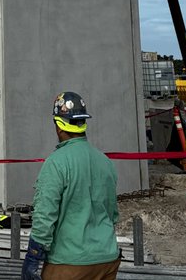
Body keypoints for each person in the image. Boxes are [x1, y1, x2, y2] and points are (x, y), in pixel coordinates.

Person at [24, 91, 121, 280]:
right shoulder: (105, 161)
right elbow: (112, 214)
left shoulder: (56, 163)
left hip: (69, 263)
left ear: (58, 126)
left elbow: (45, 216)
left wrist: (33, 257)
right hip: (107, 259)